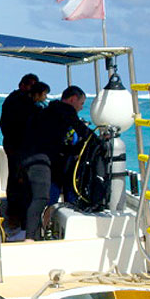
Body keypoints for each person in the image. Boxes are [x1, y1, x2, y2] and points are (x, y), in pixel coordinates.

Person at [20, 85, 92, 240]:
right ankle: (30, 237)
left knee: (36, 197)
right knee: (41, 198)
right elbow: (80, 129)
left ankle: (33, 231)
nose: (81, 108)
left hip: (28, 156)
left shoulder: (50, 109)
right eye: (81, 104)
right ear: (73, 99)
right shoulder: (66, 110)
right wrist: (97, 141)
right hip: (39, 158)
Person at [0, 73, 39, 239]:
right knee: (18, 180)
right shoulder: (18, 100)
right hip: (16, 146)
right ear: (23, 85)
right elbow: (8, 124)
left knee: (17, 180)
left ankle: (15, 214)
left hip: (17, 146)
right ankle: (17, 215)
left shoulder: (17, 99)